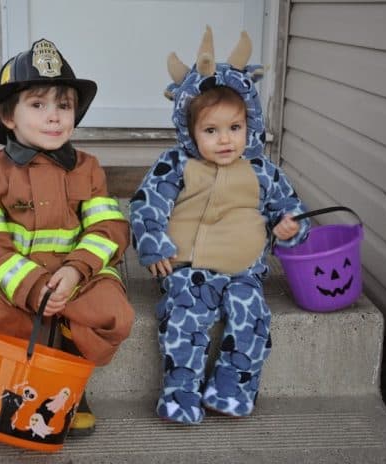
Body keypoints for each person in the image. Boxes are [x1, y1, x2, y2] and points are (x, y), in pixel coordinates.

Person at [0, 38, 134, 441]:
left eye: (63, 106)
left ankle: (69, 388)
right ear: (7, 116)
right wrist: (31, 286)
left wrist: (75, 270)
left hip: (75, 276)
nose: (54, 117)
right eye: (38, 105)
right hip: (11, 277)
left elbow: (110, 229)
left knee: (113, 310)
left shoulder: (88, 168)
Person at [129, 26, 310, 424]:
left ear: (251, 124)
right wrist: (154, 242)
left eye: (235, 128)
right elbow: (148, 204)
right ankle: (180, 394)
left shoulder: (263, 171)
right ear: (190, 131)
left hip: (243, 272)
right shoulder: (176, 164)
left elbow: (291, 208)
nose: (225, 139)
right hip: (187, 269)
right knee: (185, 318)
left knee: (252, 318)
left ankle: (230, 389)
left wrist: (288, 228)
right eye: (211, 130)